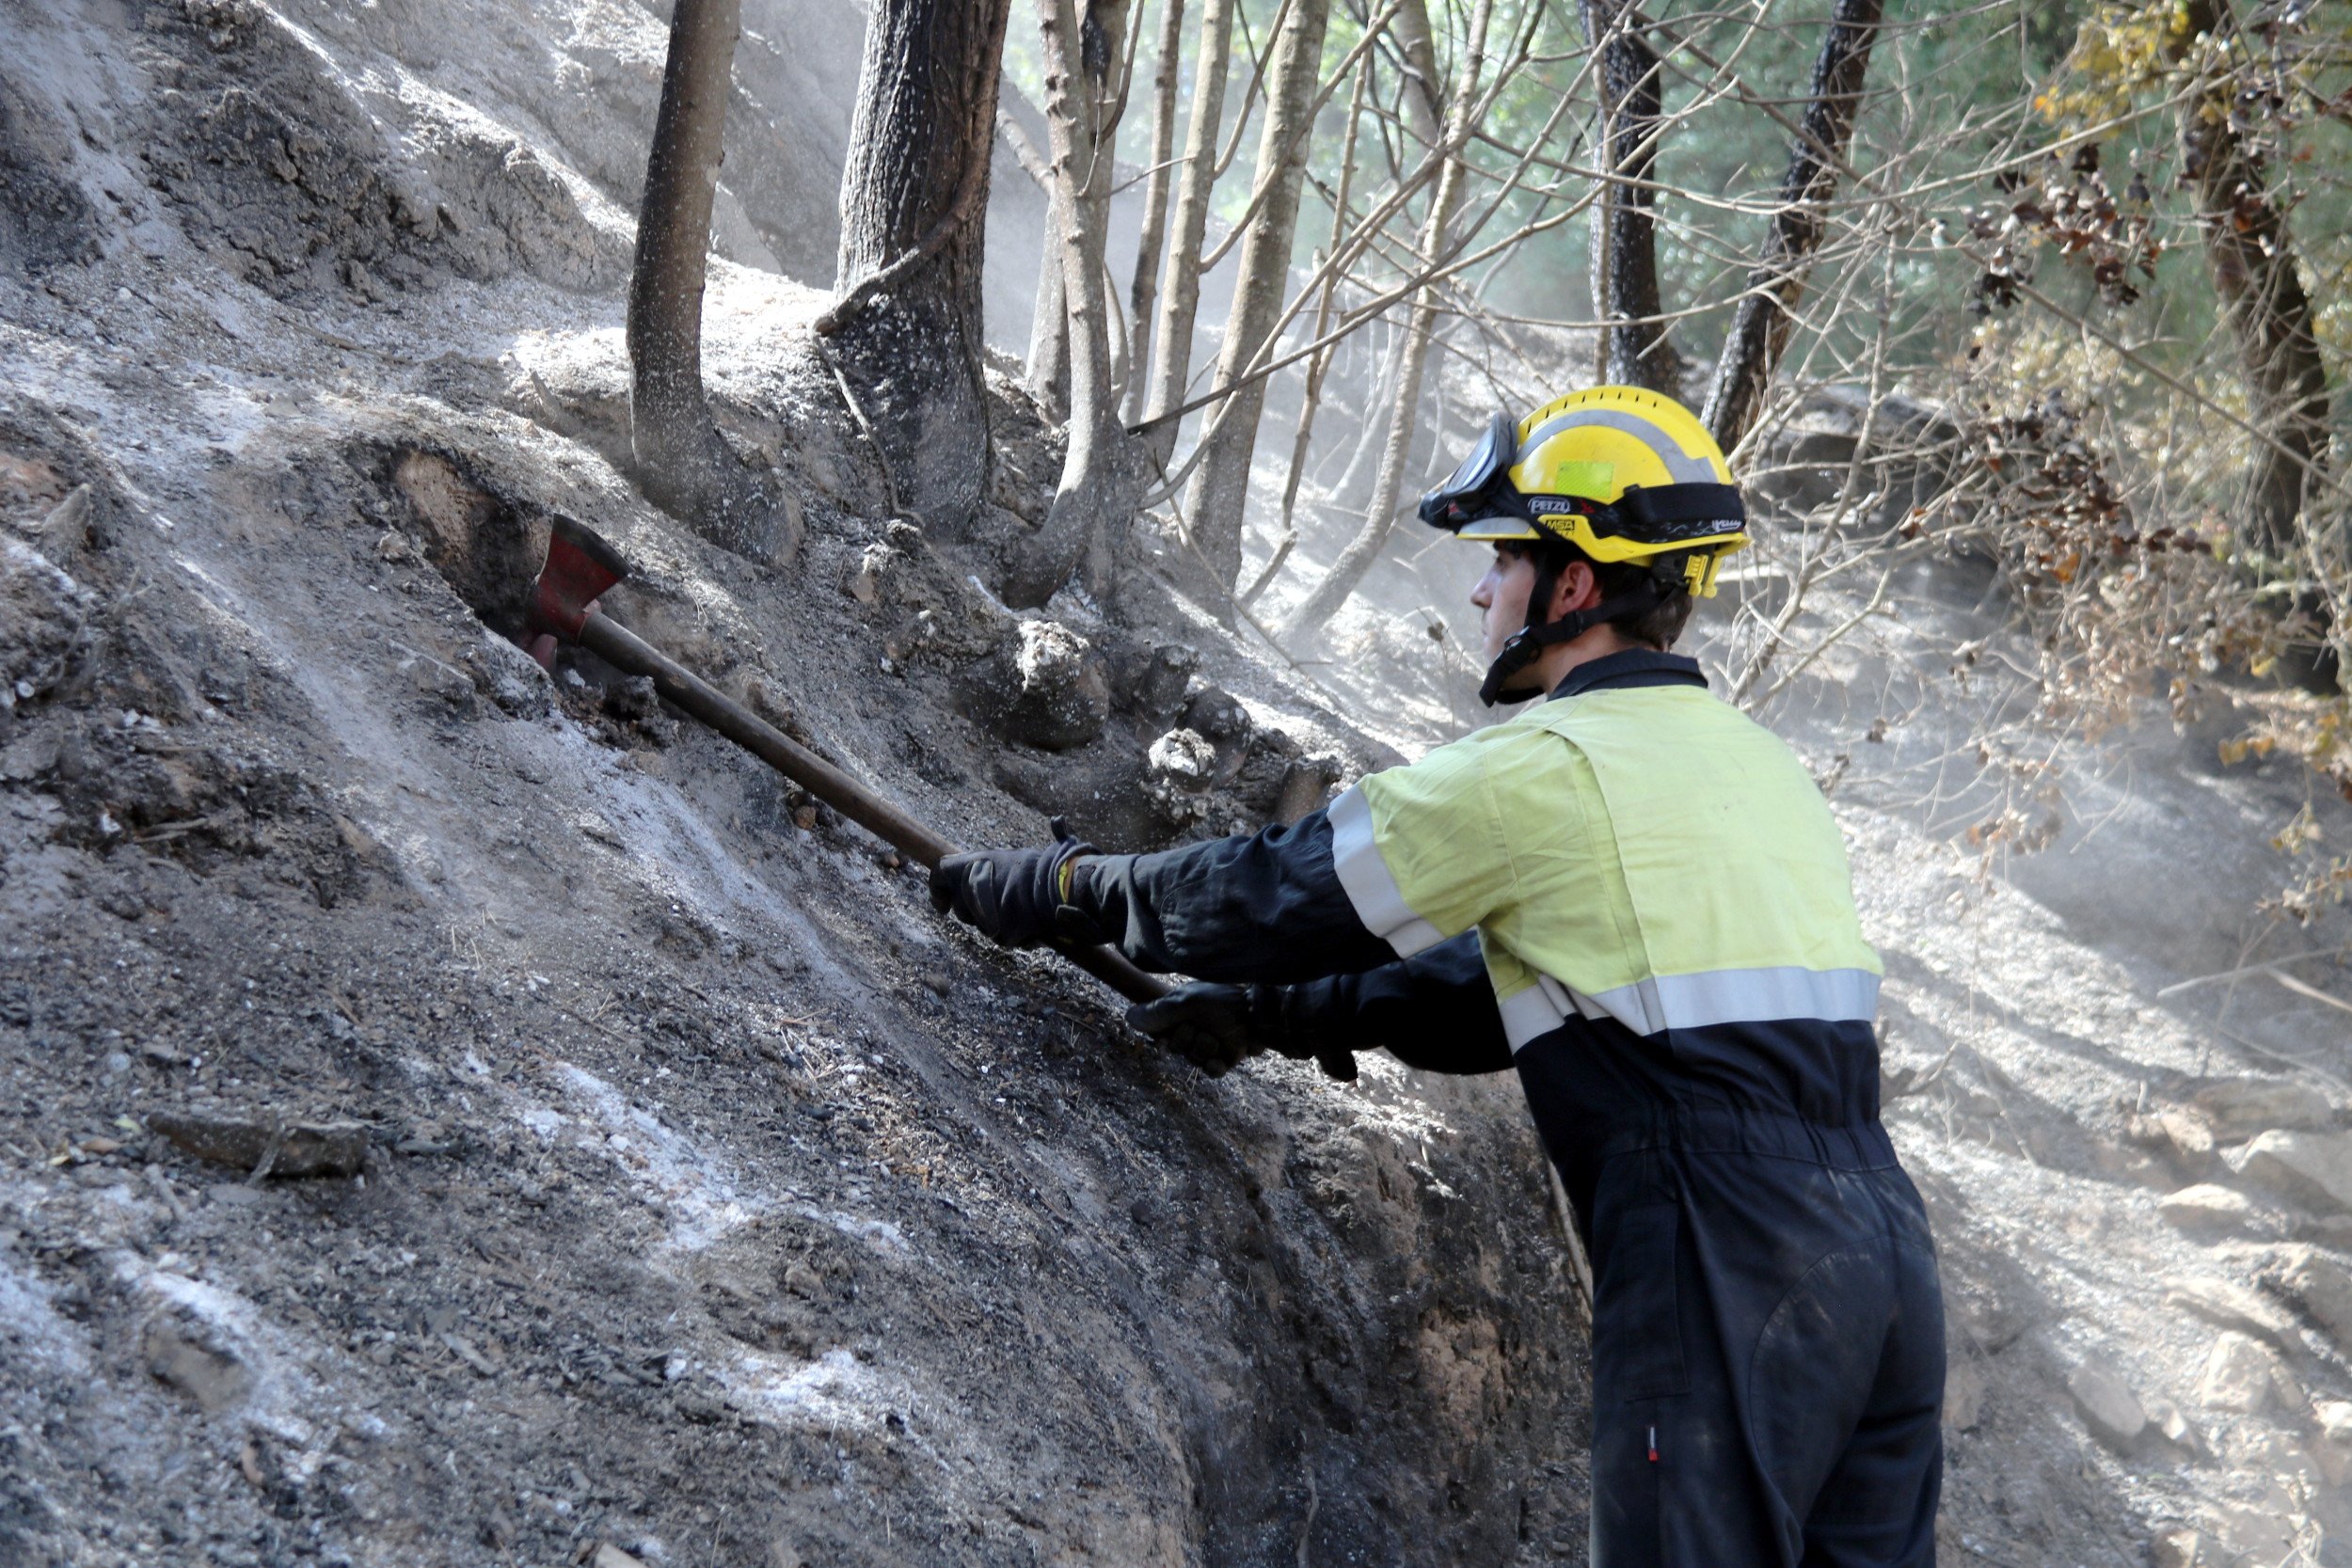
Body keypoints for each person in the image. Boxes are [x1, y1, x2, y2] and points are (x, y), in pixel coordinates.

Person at [930, 387, 1944, 1567]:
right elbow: (1491, 993)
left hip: (1729, 1259)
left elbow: (1281, 894)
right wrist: (1273, 1016)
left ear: (1572, 584)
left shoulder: (1551, 764)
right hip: (1881, 1261)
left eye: (1503, 559)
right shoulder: (1759, 771)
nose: (1478, 591)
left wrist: (1070, 886)